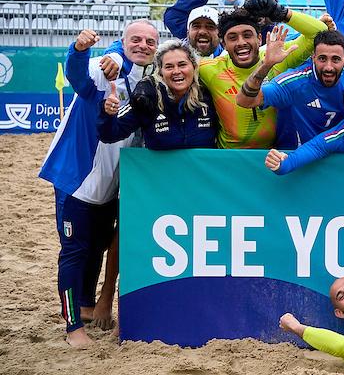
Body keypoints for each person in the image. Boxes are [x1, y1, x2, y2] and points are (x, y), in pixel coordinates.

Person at [39, 21, 158, 347]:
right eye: (136, 39)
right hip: (76, 180)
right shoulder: (105, 68)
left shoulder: (147, 81)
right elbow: (78, 75)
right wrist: (79, 49)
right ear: (123, 42)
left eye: (150, 41)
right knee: (74, 253)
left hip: (108, 187)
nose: (143, 45)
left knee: (97, 249)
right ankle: (72, 326)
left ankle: (87, 308)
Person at [236, 27, 344, 148]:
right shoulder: (294, 83)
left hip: (340, 157)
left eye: (336, 60)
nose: (329, 67)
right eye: (322, 59)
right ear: (313, 58)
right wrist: (266, 66)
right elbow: (244, 101)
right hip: (297, 158)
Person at [199, 0, 325, 149]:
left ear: (259, 39)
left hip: (271, 156)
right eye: (232, 38)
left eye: (247, 35)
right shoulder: (209, 69)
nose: (241, 43)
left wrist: (279, 12)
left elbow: (320, 32)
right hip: (229, 157)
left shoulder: (277, 57)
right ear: (224, 44)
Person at [98, 39, 216, 149]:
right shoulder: (148, 97)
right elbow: (109, 135)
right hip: (160, 171)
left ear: (193, 67)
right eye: (169, 66)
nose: (176, 71)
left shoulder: (209, 95)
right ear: (161, 72)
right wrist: (108, 114)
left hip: (201, 171)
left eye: (182, 65)